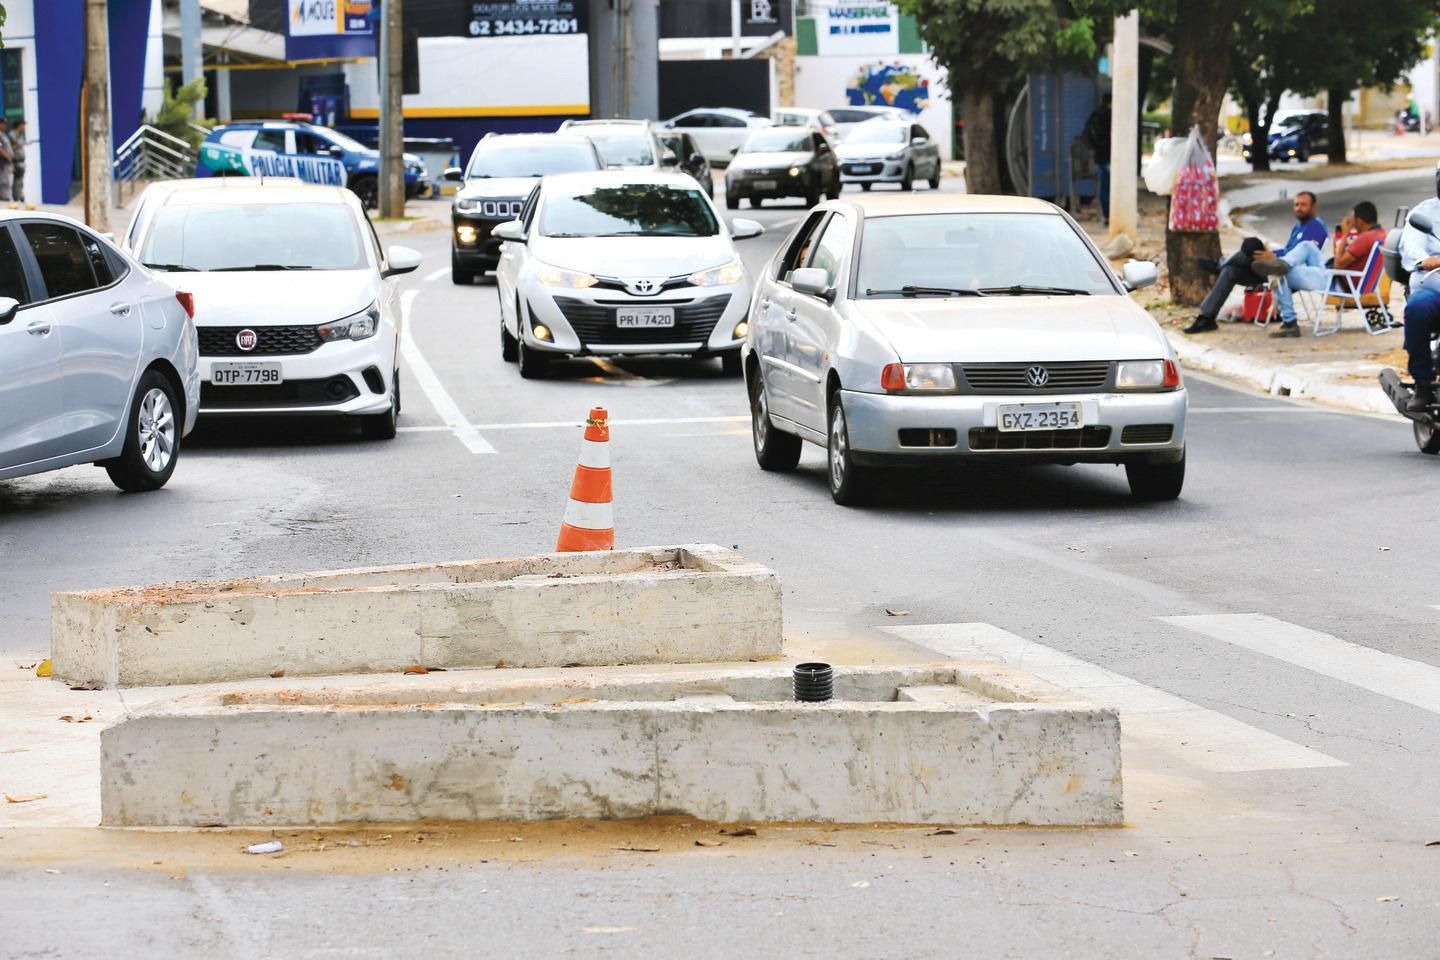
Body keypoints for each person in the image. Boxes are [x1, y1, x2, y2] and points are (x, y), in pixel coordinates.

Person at [1184, 191, 1327, 334]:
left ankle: (1220, 264)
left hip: (1289, 274)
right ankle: (1206, 318)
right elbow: (1288, 250)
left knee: (1251, 246)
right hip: (1272, 269)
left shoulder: (1316, 228)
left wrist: (1273, 255)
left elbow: (1298, 258)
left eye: (1303, 205)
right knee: (1231, 271)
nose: (1298, 208)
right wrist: (1270, 252)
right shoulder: (1298, 226)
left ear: (1314, 207)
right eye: (1296, 204)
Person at [1253, 201, 1385, 337]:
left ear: (1360, 220)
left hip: (1338, 281)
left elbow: (1339, 264)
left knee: (1278, 274)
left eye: (1353, 219)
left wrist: (1345, 234)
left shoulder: (1364, 239)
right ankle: (1284, 262)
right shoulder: (1380, 234)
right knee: (1306, 246)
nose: (1352, 223)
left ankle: (1289, 322)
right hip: (1347, 277)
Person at [1398, 164, 1440, 410]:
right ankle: (1423, 385)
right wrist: (1427, 259)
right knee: (1417, 309)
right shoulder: (1424, 212)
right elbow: (1411, 246)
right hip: (1433, 286)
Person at [1082, 94, 1112, 222]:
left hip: (1100, 157)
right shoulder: (1109, 115)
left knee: (1104, 186)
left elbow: (1086, 134)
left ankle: (1107, 214)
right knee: (1112, 186)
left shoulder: (1095, 114)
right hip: (1109, 155)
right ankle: (1111, 214)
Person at [11, 119, 26, 204]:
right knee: (16, 182)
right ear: (19, 125)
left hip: (21, 161)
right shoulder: (12, 135)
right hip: (15, 162)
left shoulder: (21, 135)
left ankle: (20, 197)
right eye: (23, 125)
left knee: (20, 182)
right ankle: (17, 199)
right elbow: (9, 148)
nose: (24, 127)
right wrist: (17, 146)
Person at [0, 119, 14, 204]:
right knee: (3, 183)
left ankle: (5, 199)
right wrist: (8, 157)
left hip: (6, 164)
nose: (5, 126)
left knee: (6, 182)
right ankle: (4, 201)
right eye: (3, 124)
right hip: (2, 163)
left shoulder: (3, 135)